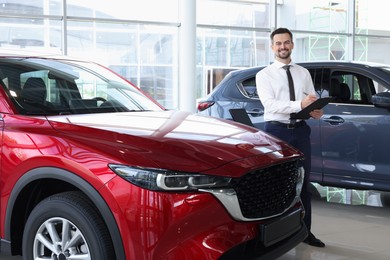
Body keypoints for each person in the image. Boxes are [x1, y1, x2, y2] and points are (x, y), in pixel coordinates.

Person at [256, 27, 325, 248]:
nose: (282, 47)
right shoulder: (264, 75)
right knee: (277, 185)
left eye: (286, 42)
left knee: (304, 183)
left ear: (292, 44)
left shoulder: (302, 72)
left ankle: (306, 232)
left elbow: (309, 99)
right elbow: (270, 105)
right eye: (278, 43)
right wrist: (299, 105)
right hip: (276, 132)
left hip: (301, 130)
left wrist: (314, 110)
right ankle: (273, 236)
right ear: (272, 46)